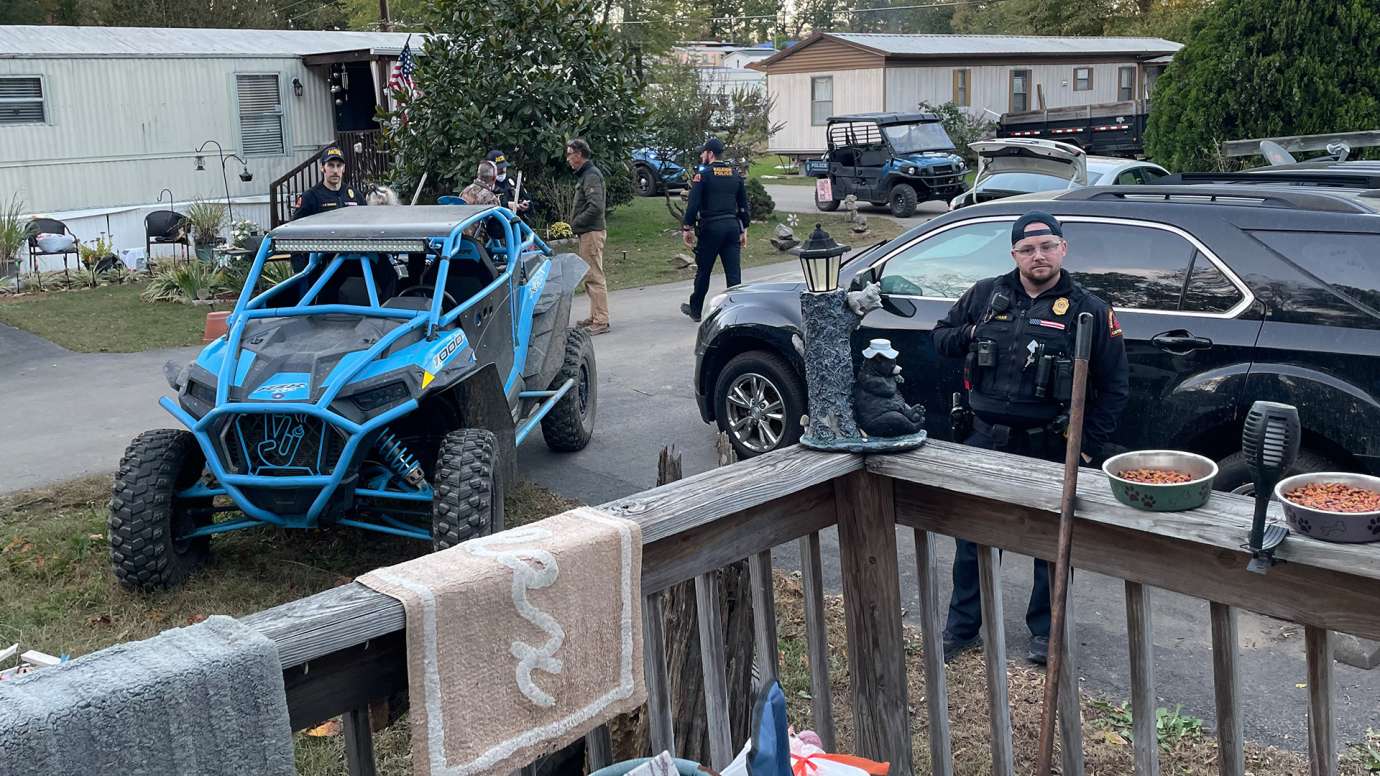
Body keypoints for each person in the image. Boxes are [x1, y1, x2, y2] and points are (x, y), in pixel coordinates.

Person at [931, 211, 1129, 666]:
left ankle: (1045, 632)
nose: (1037, 256)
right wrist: (971, 333)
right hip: (984, 440)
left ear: (1063, 248)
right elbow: (939, 339)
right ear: (1014, 254)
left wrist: (1083, 445)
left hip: (1050, 445)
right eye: (1027, 249)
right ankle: (962, 629)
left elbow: (1115, 387)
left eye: (1047, 246)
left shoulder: (1090, 311)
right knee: (973, 540)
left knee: (1051, 544)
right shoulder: (985, 295)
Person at [679, 137, 749, 323]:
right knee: (733, 273)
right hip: (732, 228)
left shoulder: (703, 175)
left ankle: (695, 309)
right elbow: (743, 204)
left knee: (704, 271)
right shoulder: (734, 174)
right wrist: (744, 229)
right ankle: (737, 311)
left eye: (703, 152)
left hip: (711, 228)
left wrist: (687, 227)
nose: (701, 155)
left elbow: (693, 204)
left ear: (710, 154)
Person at [289, 145, 366, 273]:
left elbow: (367, 226)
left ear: (344, 168)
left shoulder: (355, 195)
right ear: (322, 168)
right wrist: (301, 267)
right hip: (324, 262)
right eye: (330, 165)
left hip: (356, 258)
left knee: (388, 274)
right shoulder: (310, 196)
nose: (335, 170)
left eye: (339, 165)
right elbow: (294, 230)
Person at [565, 137, 609, 335]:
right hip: (587, 232)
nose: (567, 158)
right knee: (589, 275)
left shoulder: (591, 176)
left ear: (579, 154)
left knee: (594, 276)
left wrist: (575, 223)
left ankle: (601, 320)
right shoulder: (585, 175)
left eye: (569, 154)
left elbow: (596, 207)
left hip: (592, 231)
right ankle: (595, 315)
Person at [486, 149, 530, 214]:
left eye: (503, 167)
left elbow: (529, 200)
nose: (502, 171)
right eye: (499, 169)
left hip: (516, 221)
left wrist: (525, 205)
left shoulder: (513, 181)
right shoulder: (484, 184)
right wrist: (507, 205)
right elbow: (484, 205)